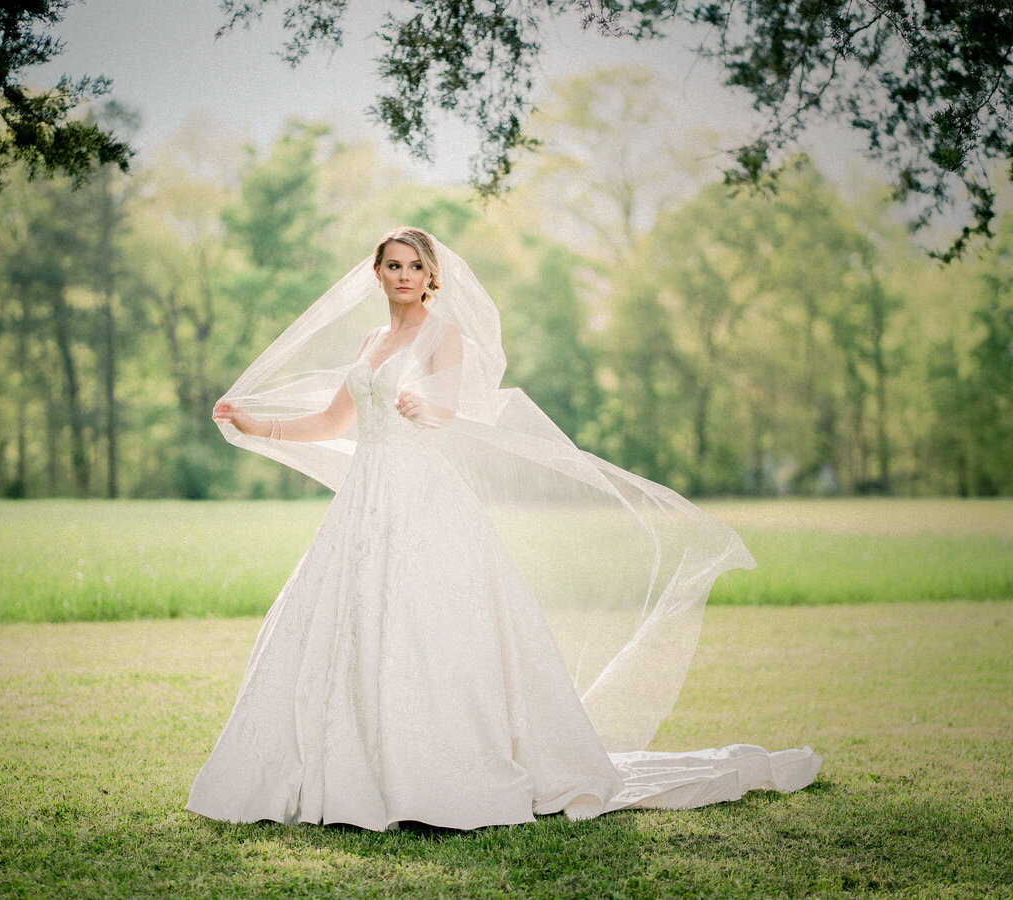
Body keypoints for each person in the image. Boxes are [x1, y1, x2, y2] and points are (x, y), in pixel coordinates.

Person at [186, 227, 819, 830]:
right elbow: (331, 423)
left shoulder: (442, 336)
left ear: (431, 276)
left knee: (430, 625)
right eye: (392, 265)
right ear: (376, 274)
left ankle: (436, 774)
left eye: (414, 266)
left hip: (423, 498)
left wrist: (425, 407)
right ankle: (350, 773)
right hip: (363, 504)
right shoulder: (370, 343)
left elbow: (451, 411)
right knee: (346, 623)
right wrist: (256, 424)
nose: (403, 275)